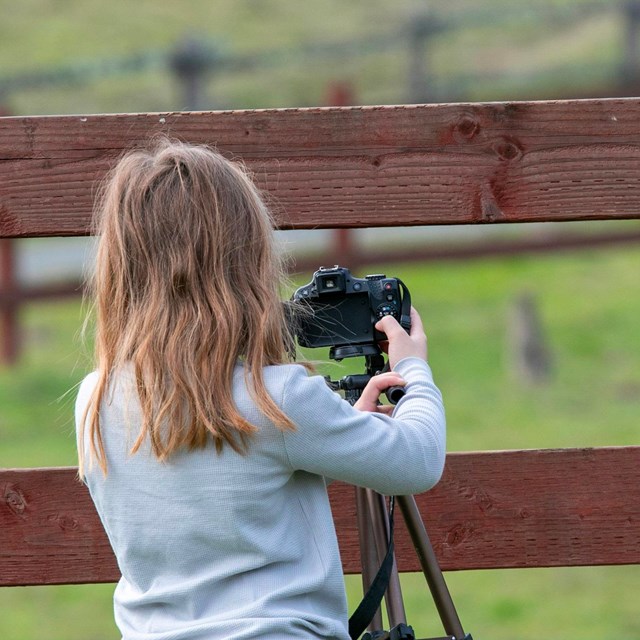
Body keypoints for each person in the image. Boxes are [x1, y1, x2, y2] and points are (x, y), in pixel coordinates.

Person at [75, 139, 446, 640]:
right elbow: (417, 461)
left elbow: (223, 485)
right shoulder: (279, 398)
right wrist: (412, 370)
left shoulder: (96, 399)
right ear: (246, 259)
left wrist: (338, 433)